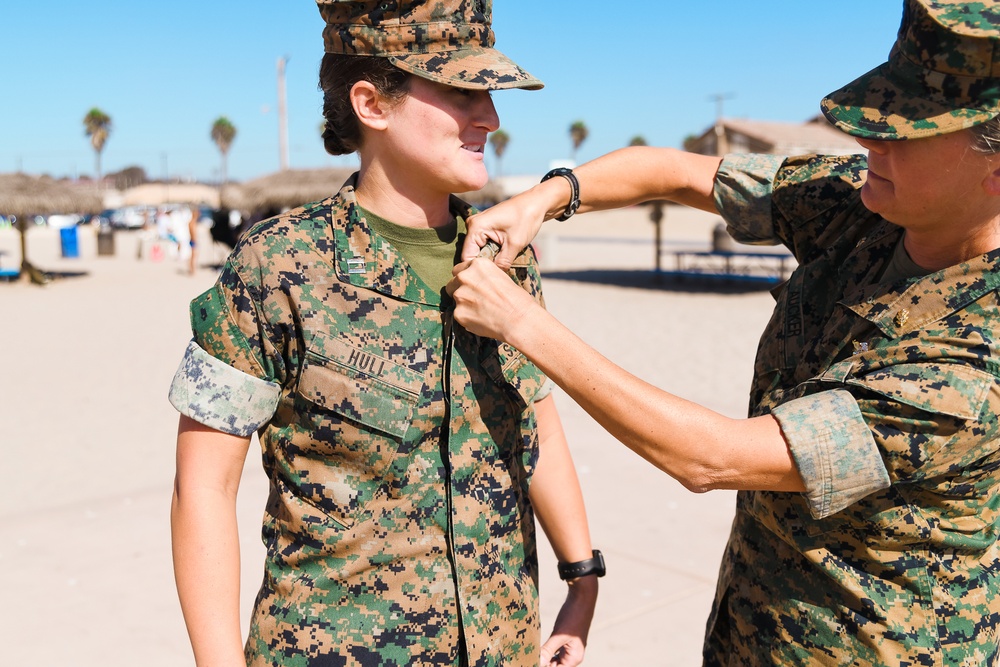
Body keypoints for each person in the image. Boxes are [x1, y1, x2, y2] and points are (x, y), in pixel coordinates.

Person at [448, 0, 1000, 664]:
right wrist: (547, 196)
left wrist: (520, 322)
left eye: (905, 130)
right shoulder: (867, 205)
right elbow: (679, 173)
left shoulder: (979, 353)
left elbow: (712, 458)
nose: (869, 141)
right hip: (751, 629)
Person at [168, 1, 598, 666]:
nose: (490, 116)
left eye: (488, 93)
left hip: (503, 645)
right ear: (371, 103)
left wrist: (582, 577)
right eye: (462, 91)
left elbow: (536, 418)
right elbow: (203, 486)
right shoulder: (279, 266)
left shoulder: (506, 256)